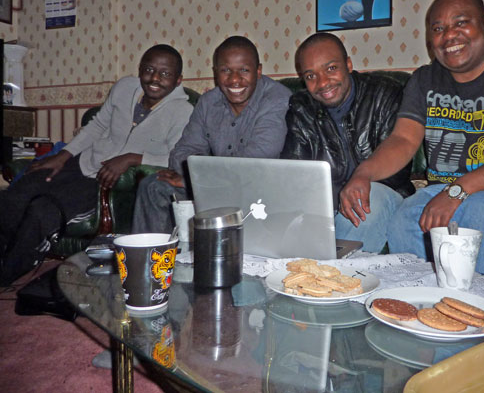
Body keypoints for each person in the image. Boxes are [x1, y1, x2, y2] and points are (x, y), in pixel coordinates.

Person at [339, 0, 484, 279]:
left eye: (460, 23)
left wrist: (457, 190)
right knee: (407, 217)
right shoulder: (425, 79)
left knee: (482, 212)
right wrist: (363, 174)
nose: (449, 35)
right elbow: (403, 140)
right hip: (447, 189)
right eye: (438, 28)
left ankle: (482, 313)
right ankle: (419, 308)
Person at [0, 44, 194, 285]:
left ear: (178, 80)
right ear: (140, 69)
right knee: (16, 196)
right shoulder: (125, 87)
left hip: (105, 184)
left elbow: (177, 156)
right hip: (83, 162)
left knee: (43, 212)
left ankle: (6, 277)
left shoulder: (184, 111)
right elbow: (98, 125)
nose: (154, 78)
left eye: (165, 74)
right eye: (149, 69)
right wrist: (64, 155)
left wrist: (133, 158)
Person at [132, 36, 292, 234]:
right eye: (226, 70)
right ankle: (155, 260)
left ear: (258, 71)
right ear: (216, 73)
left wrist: (196, 181)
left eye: (244, 70)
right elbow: (183, 151)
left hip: (261, 192)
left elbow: (254, 162)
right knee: (154, 187)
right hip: (216, 186)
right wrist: (198, 180)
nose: (234, 79)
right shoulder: (208, 102)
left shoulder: (278, 99)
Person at [280, 33, 414, 252]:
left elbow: (396, 173)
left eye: (331, 68)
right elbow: (295, 174)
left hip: (383, 196)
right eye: (311, 76)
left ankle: (328, 275)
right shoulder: (302, 107)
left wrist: (351, 187)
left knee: (366, 198)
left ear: (348, 64)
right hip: (325, 208)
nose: (323, 82)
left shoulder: (384, 94)